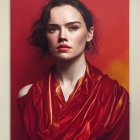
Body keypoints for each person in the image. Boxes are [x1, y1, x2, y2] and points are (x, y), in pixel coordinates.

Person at [18, 0, 129, 139]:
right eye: (53, 29)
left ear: (90, 34)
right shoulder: (29, 96)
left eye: (73, 28)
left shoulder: (114, 96)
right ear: (46, 36)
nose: (62, 36)